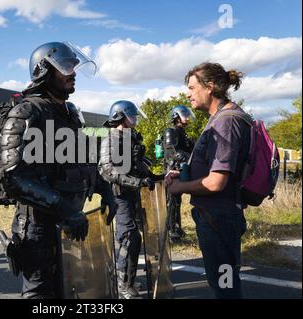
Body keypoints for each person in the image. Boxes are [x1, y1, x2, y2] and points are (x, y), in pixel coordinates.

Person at [0, 41, 108, 299]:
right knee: (40, 294)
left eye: (73, 66)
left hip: (71, 221)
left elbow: (83, 159)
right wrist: (64, 207)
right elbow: (12, 175)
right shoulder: (26, 112)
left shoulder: (68, 113)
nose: (73, 73)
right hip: (38, 226)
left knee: (68, 290)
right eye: (66, 67)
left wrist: (104, 189)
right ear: (44, 71)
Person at [166, 62, 249, 299]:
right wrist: (185, 174)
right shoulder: (221, 117)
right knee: (223, 282)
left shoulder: (226, 121)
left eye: (192, 87)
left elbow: (216, 182)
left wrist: (180, 187)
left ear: (209, 87)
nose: (188, 93)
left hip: (218, 220)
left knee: (225, 285)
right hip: (218, 217)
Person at [98, 100, 162, 299]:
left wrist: (157, 177)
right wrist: (138, 182)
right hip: (119, 196)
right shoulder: (111, 139)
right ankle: (123, 284)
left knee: (134, 238)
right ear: (120, 117)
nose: (135, 119)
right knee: (128, 238)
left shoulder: (130, 137)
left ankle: (128, 280)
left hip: (132, 194)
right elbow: (107, 171)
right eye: (131, 115)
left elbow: (139, 166)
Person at [162, 105, 195, 241]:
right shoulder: (171, 131)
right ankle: (172, 232)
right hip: (172, 170)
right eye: (184, 115)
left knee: (177, 202)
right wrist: (191, 157)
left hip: (180, 169)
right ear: (176, 117)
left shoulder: (182, 132)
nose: (187, 117)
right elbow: (173, 153)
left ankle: (177, 228)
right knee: (172, 202)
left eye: (187, 115)